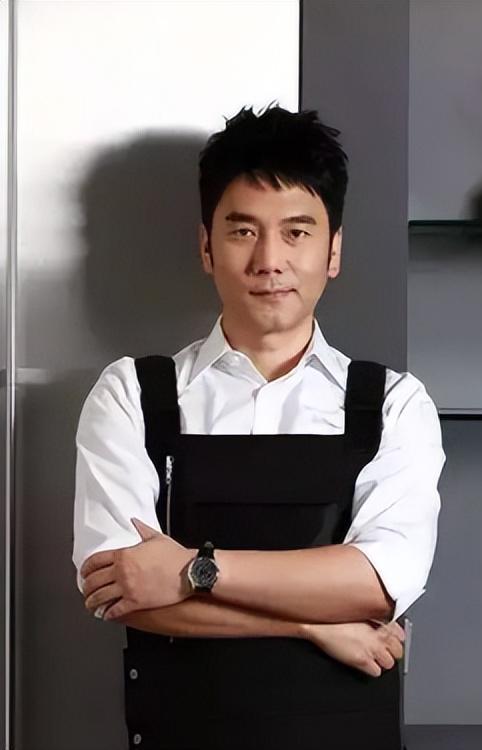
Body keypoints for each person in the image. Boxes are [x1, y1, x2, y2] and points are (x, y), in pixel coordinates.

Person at [72, 103, 446, 750]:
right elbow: (121, 589)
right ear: (206, 246)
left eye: (297, 232)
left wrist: (191, 570)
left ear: (333, 251)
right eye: (243, 231)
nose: (270, 260)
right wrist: (312, 623)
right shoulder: (132, 394)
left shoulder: (394, 404)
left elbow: (378, 583)